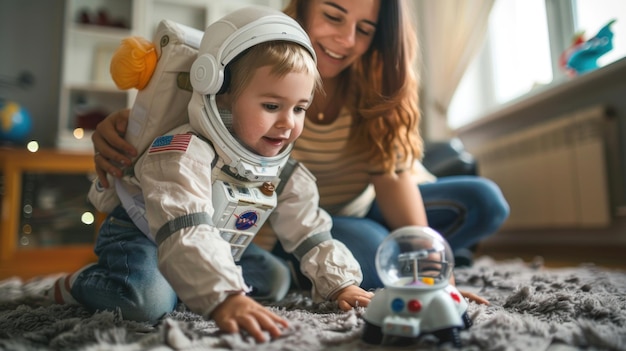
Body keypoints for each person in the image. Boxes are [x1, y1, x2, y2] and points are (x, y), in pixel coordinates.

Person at [92, 0, 509, 294]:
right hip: (302, 222)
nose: (345, 40)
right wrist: (123, 128)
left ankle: (404, 250)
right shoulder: (252, 66)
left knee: (485, 201)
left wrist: (429, 268)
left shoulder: (375, 84)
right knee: (367, 254)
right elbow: (187, 121)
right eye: (333, 15)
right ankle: (330, 260)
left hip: (364, 205)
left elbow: (394, 179)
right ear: (304, 6)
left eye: (364, 30)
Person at [47, 6, 373, 343]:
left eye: (299, 108)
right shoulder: (181, 151)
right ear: (223, 95)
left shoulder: (283, 171)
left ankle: (192, 283)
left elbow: (310, 231)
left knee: (275, 280)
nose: (288, 122)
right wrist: (225, 298)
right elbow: (186, 230)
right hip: (144, 235)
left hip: (217, 244)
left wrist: (341, 283)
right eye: (272, 106)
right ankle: (82, 283)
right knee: (148, 302)